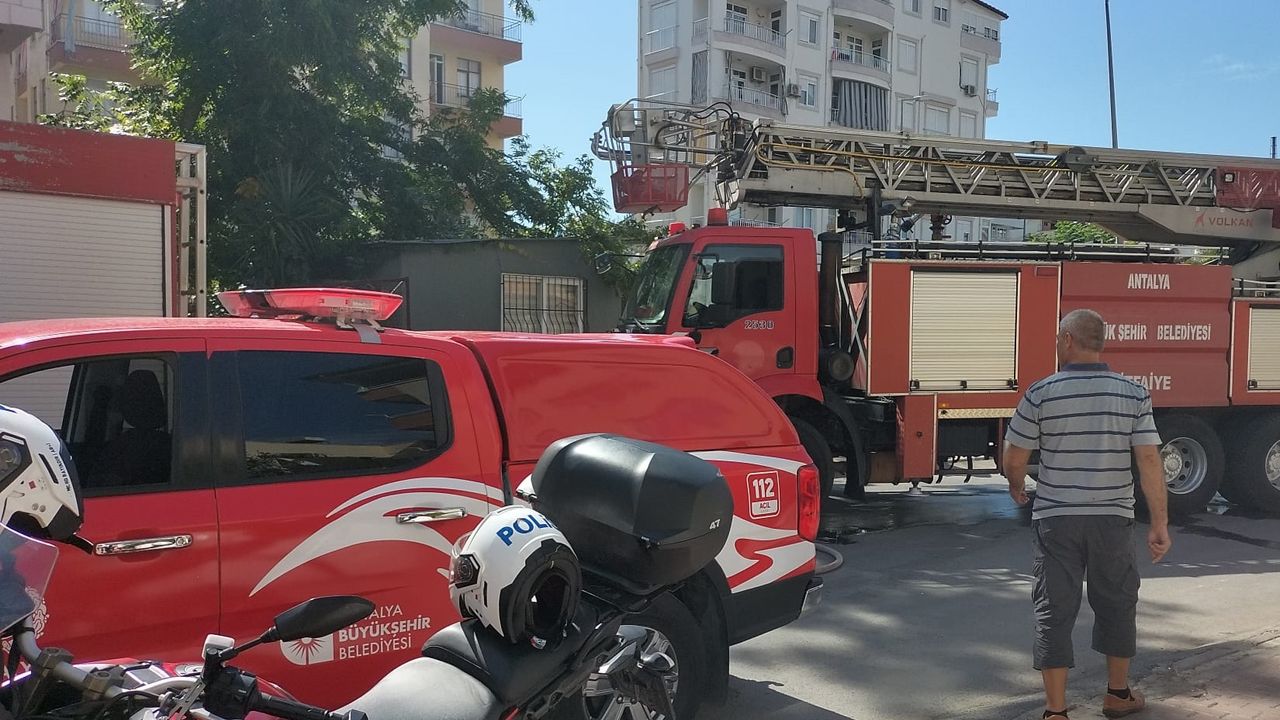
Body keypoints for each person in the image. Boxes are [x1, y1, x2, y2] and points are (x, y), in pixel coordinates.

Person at [1003, 309, 1173, 720]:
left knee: (1053, 608)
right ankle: (1117, 694)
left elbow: (1015, 455)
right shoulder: (1133, 393)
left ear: (1067, 340)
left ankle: (1056, 711)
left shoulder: (1041, 392)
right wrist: (1159, 522)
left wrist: (1016, 484)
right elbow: (1149, 460)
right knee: (1117, 602)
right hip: (1112, 518)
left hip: (1056, 519)